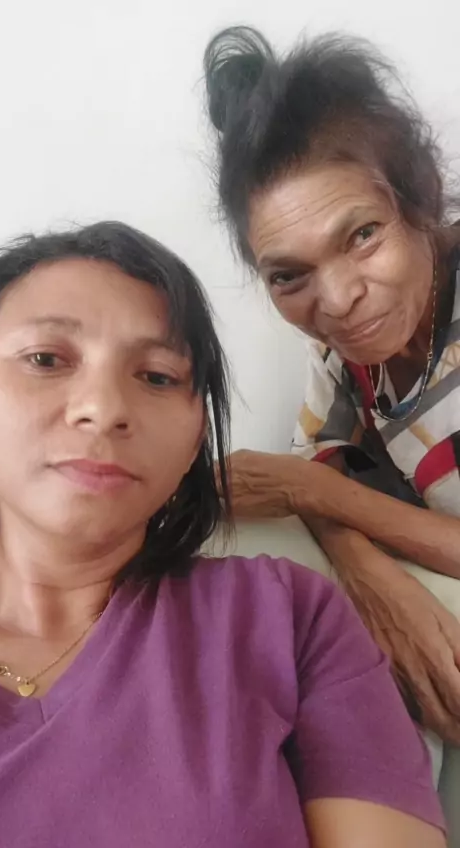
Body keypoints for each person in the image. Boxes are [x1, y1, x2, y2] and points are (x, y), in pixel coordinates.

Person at [0, 221, 445, 847]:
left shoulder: (285, 616)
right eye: (45, 359)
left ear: (197, 433)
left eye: (158, 376)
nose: (104, 408)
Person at [203, 26, 460, 746]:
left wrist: (308, 492)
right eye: (290, 275)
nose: (339, 300)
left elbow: (307, 484)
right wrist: (370, 574)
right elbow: (314, 468)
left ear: (419, 199)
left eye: (362, 235)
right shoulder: (342, 354)